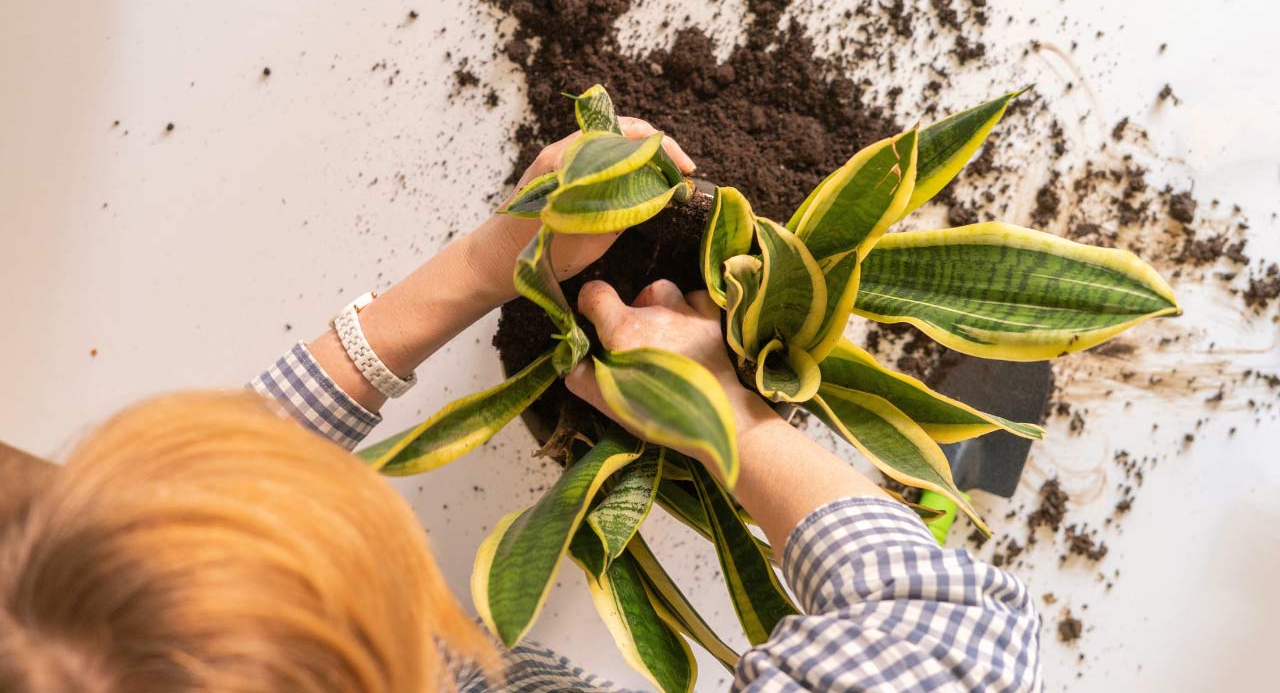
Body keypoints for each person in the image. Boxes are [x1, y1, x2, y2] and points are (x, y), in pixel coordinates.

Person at [0, 118, 1040, 692]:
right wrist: (727, 414)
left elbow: (171, 550)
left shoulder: (69, 647)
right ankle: (929, 505)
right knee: (929, 563)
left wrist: (479, 269)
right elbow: (954, 643)